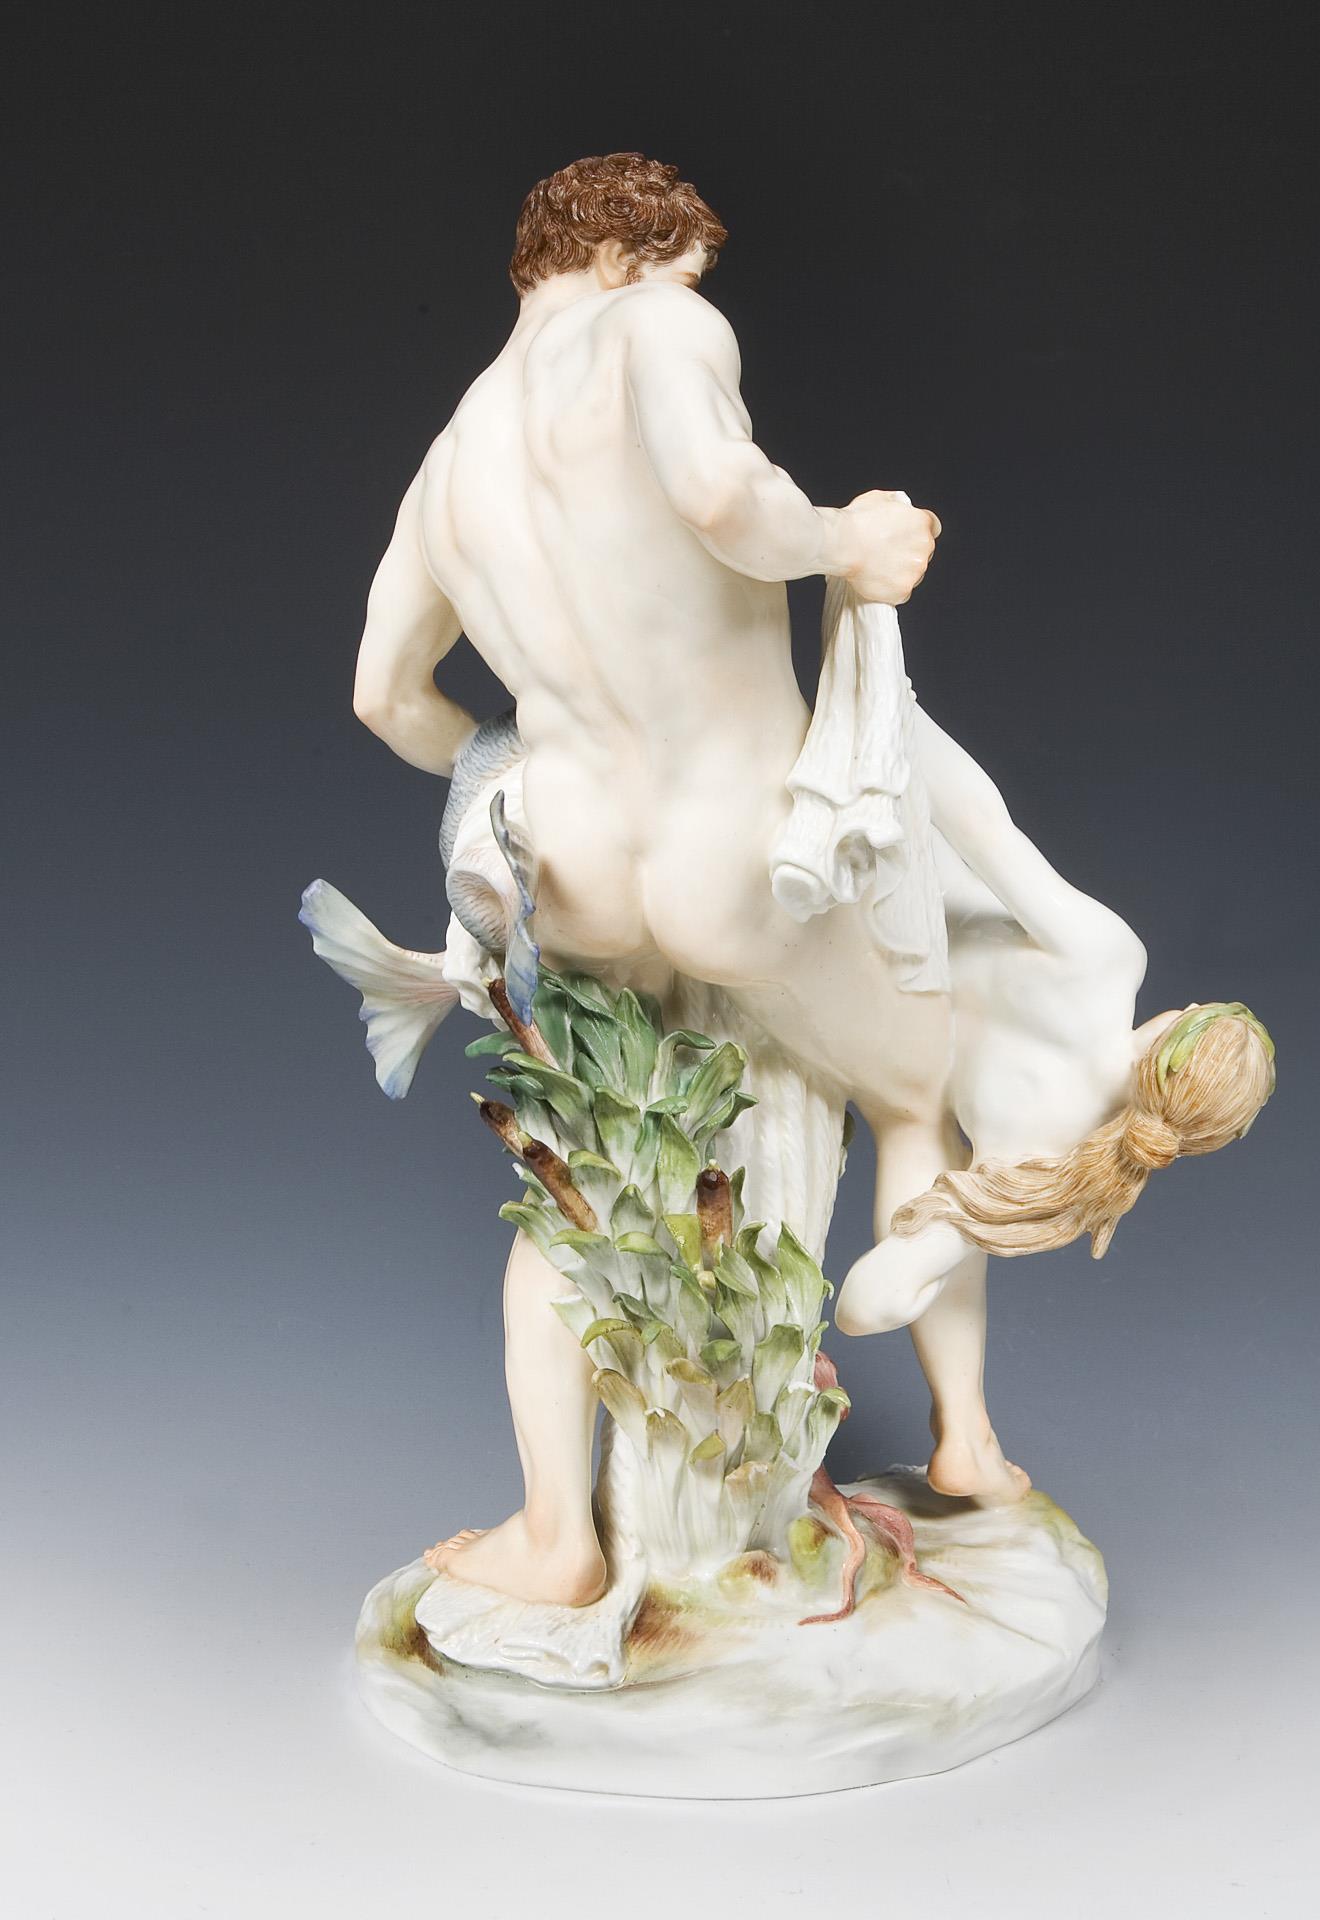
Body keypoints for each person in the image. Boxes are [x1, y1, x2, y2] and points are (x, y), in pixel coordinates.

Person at [351, 154, 962, 1603]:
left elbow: (384, 695)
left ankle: (555, 1536)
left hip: (566, 865)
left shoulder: (449, 459)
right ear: (632, 251)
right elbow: (718, 493)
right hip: (725, 844)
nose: (698, 291)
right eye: (690, 266)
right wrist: (851, 544)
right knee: (916, 1086)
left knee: (580, 1197)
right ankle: (964, 1443)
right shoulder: (655, 327)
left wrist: (503, 763)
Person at [833, 712, 1276, 1500]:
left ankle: (965, 1431)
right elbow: (861, 1308)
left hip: (886, 879)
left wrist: (897, 711)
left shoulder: (1105, 960)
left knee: (923, 1122)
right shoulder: (1052, 1162)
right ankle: (962, 1429)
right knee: (923, 1144)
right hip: (869, 993)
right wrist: (914, 1264)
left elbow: (983, 826)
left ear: (1178, 1026)